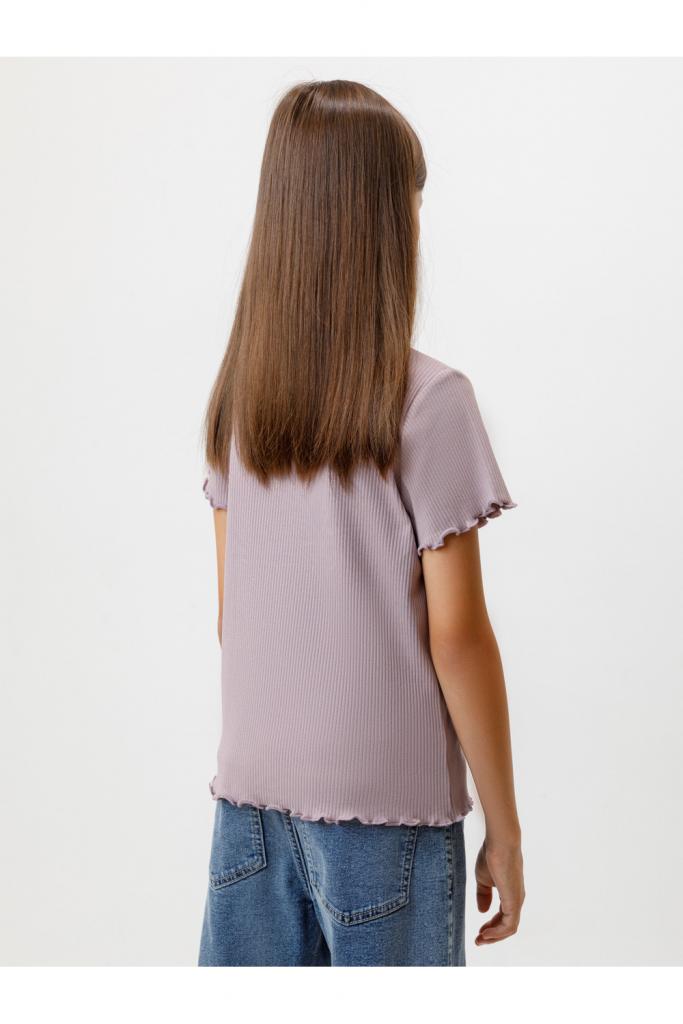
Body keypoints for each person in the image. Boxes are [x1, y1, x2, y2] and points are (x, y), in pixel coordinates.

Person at [198, 79, 524, 967]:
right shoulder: (429, 401)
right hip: (387, 815)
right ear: (384, 221)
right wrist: (503, 828)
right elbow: (457, 636)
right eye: (412, 201)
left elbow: (234, 616)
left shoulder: (238, 400)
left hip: (249, 803)